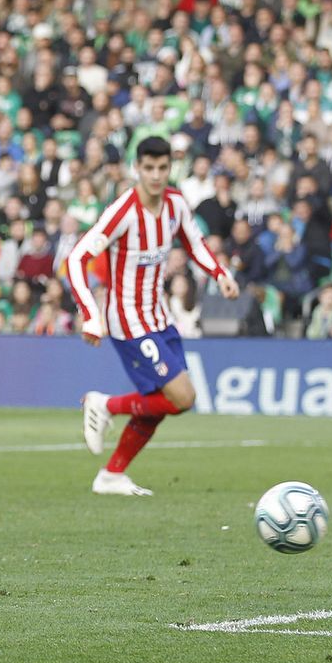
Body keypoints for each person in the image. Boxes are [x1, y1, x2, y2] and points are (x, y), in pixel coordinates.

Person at [67, 136, 240, 496]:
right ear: (138, 168)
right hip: (127, 321)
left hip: (159, 317)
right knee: (184, 397)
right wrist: (90, 314)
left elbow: (194, 243)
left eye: (163, 168)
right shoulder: (123, 211)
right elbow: (76, 258)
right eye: (149, 168)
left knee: (166, 404)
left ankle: (112, 475)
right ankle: (104, 404)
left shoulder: (175, 204)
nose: (156, 176)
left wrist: (220, 274)